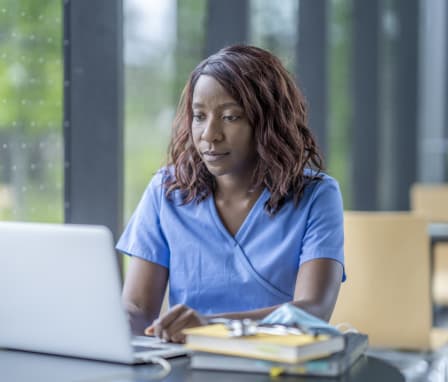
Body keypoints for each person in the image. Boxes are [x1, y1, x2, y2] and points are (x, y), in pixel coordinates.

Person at [116, 45, 345, 344]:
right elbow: (138, 309)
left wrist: (210, 325)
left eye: (230, 117)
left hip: (276, 368)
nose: (210, 134)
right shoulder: (166, 192)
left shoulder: (317, 195)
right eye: (199, 116)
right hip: (188, 368)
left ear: (268, 122)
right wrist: (103, 321)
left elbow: (312, 311)